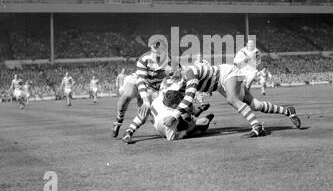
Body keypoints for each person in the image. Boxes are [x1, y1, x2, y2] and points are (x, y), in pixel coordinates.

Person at [163, 63, 302, 138]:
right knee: (255, 104)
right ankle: (288, 111)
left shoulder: (190, 74)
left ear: (178, 68)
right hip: (220, 83)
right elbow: (186, 104)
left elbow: (188, 99)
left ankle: (257, 127)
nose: (170, 77)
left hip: (227, 73)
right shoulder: (181, 82)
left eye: (171, 73)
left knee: (232, 99)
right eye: (168, 75)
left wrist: (173, 116)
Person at [113, 40, 172, 142]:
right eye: (153, 52)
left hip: (154, 89)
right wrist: (145, 100)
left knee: (147, 110)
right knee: (128, 94)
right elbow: (141, 81)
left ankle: (129, 132)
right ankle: (119, 120)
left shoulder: (170, 61)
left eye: (158, 53)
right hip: (138, 81)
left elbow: (174, 78)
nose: (155, 55)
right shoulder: (143, 59)